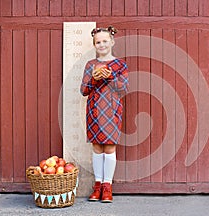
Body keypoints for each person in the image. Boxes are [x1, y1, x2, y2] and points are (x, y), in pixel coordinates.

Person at [80, 26, 129, 203]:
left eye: (105, 41)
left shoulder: (120, 65)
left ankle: (107, 186)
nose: (102, 44)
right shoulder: (90, 65)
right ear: (94, 45)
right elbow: (84, 90)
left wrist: (108, 76)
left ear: (112, 42)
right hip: (94, 109)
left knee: (109, 147)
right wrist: (94, 78)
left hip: (112, 109)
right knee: (96, 147)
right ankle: (97, 185)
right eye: (98, 42)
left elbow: (123, 88)